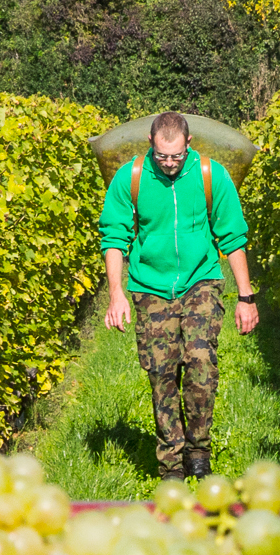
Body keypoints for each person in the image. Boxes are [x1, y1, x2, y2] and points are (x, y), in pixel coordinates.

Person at [97, 111, 259, 480]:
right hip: (149, 286)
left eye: (176, 156)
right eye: (162, 157)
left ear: (189, 145)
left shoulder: (210, 175)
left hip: (200, 280)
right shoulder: (131, 177)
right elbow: (114, 238)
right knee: (162, 373)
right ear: (150, 146)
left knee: (201, 366)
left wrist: (245, 297)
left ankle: (199, 449)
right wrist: (116, 293)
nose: (169, 164)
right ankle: (170, 462)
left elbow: (232, 237)